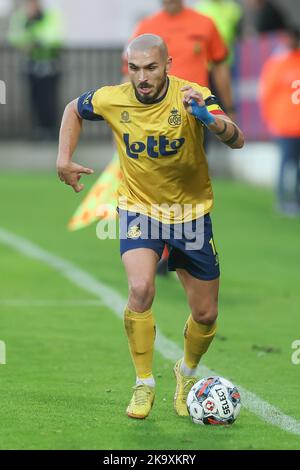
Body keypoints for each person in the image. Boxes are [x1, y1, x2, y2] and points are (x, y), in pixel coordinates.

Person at [57, 34, 244, 419]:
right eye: (135, 68)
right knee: (141, 288)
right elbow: (72, 109)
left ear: (168, 65)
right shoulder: (112, 97)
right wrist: (64, 159)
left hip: (190, 216)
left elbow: (236, 139)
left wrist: (208, 119)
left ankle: (187, 373)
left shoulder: (192, 95)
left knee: (206, 314)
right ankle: (144, 384)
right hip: (139, 209)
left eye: (151, 68)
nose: (142, 77)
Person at [70, 0, 235, 276]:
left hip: (192, 114)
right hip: (147, 117)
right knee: (150, 182)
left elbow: (219, 65)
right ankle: (160, 247)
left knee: (185, 179)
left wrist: (226, 108)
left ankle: (178, 245)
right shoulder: (147, 27)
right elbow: (129, 74)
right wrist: (121, 122)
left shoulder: (205, 24)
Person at [259, 26, 300, 216]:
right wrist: (270, 119)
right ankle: (282, 200)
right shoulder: (278, 63)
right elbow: (267, 93)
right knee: (286, 163)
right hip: (286, 125)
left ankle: (296, 201)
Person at [8, 0, 63, 139]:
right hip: (31, 65)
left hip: (49, 65)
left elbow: (56, 37)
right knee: (35, 98)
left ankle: (50, 130)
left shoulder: (50, 15)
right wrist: (29, 26)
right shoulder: (22, 17)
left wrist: (35, 36)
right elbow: (14, 37)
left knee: (49, 99)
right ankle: (39, 130)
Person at [195, 0, 243, 66]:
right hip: (207, 61)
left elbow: (239, 30)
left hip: (227, 58)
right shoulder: (200, 8)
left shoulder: (232, 7)